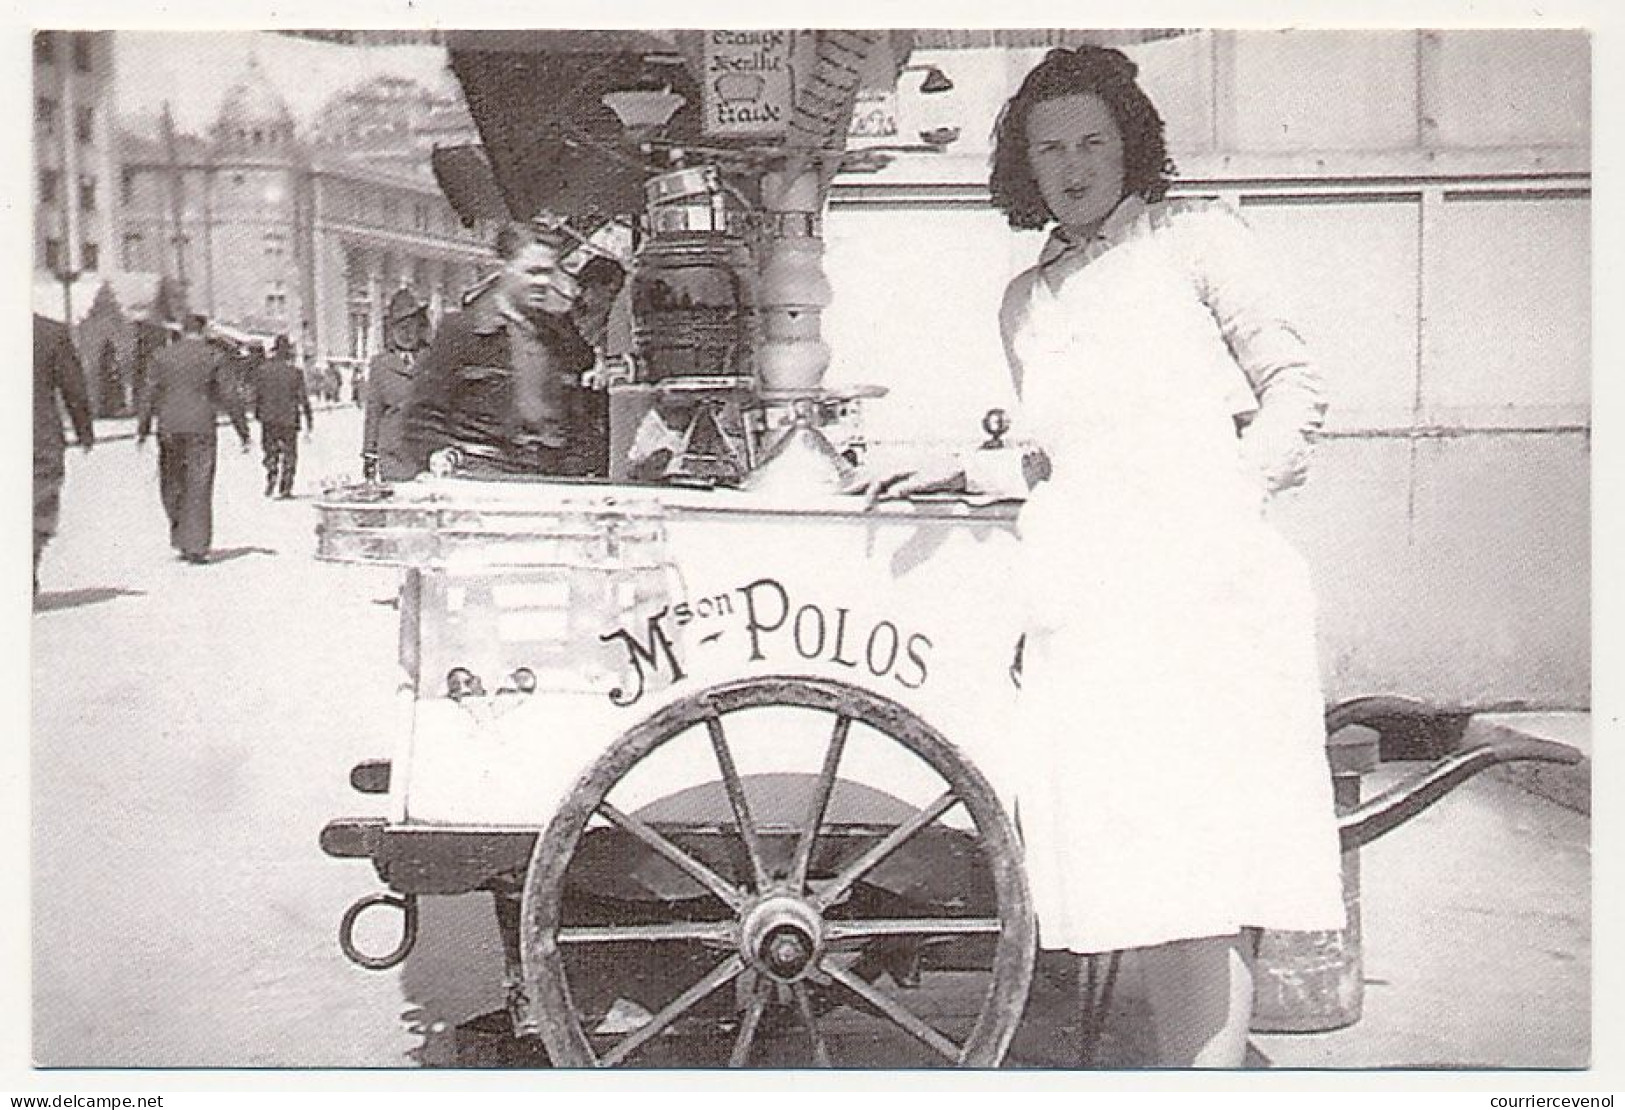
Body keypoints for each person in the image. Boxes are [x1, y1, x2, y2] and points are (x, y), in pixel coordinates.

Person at [859, 46, 1345, 1067]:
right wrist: (961, 471)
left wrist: (1228, 495)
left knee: (1206, 859)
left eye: (1090, 141)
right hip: (1088, 604)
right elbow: (1054, 458)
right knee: (1141, 866)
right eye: (1048, 148)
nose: (1072, 165)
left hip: (1200, 592)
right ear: (1022, 166)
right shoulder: (1024, 300)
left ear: (1129, 144)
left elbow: (1295, 389)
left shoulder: (1195, 244)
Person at [404, 221, 595, 478]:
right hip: (482, 474)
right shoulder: (462, 331)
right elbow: (421, 415)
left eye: (549, 273)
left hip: (551, 476)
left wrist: (577, 466)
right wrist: (437, 453)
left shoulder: (560, 335)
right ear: (505, 268)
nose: (542, 282)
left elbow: (579, 417)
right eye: (533, 272)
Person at [137, 314, 251, 564]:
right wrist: (242, 431)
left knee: (171, 481)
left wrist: (143, 428)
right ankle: (197, 545)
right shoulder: (214, 356)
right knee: (198, 483)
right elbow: (230, 394)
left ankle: (180, 536)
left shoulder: (161, 356)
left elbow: (148, 392)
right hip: (201, 426)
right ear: (204, 330)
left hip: (168, 425)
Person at [33, 313, 95, 596]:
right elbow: (74, 389)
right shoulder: (50, 332)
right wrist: (84, 430)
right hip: (38, 437)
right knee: (36, 505)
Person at [362, 287, 431, 482]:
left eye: (412, 325)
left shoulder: (433, 360)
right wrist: (369, 454)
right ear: (391, 330)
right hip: (394, 458)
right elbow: (373, 413)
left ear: (421, 326)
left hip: (428, 457)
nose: (407, 333)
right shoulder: (380, 365)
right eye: (400, 326)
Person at [253, 334, 314, 499]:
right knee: (289, 454)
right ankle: (286, 487)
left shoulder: (262, 371)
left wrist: (258, 414)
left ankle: (272, 473)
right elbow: (303, 399)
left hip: (268, 418)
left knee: (269, 449)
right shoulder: (295, 372)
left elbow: (257, 396)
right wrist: (309, 421)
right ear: (288, 353)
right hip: (289, 419)